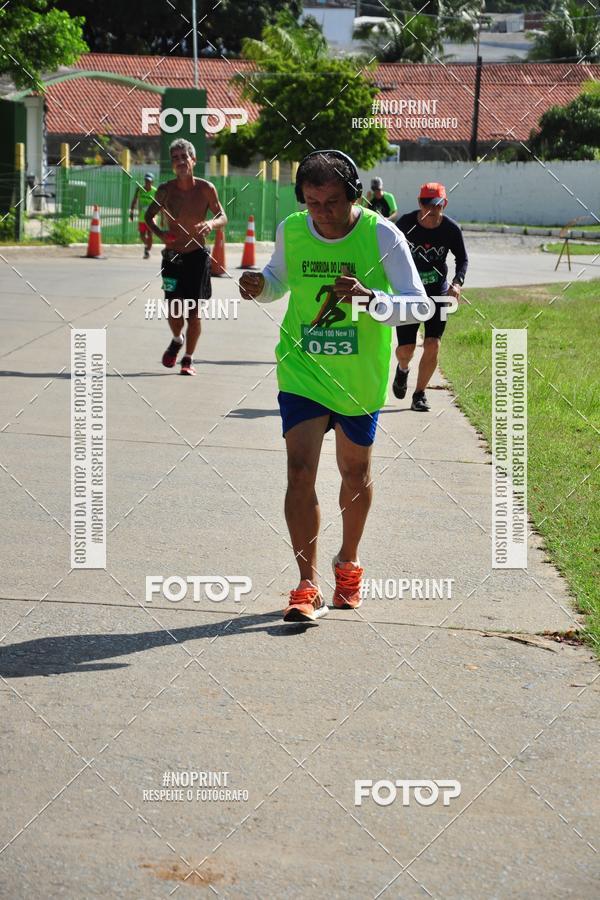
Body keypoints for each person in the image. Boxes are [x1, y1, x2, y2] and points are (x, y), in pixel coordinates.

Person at [239, 150, 429, 624]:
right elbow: (280, 277)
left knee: (353, 473)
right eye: (311, 202)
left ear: (354, 196)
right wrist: (259, 285)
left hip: (358, 375)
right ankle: (306, 584)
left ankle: (348, 562)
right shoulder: (292, 228)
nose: (321, 213)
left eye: (332, 202)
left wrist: (372, 299)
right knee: (300, 471)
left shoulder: (381, 234)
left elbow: (419, 305)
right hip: (302, 367)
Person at [145, 139, 227, 376]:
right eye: (175, 158)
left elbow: (222, 216)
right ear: (172, 164)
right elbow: (148, 216)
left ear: (193, 160)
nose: (180, 161)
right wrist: (161, 234)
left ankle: (188, 359)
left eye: (184, 157)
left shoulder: (206, 189)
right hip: (172, 257)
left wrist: (211, 223)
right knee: (173, 309)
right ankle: (176, 339)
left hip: (197, 257)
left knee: (193, 312)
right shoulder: (165, 190)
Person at [393, 182, 468, 412]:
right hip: (408, 293)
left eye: (436, 204)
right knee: (406, 349)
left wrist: (457, 283)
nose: (431, 209)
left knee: (433, 344)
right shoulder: (404, 224)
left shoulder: (451, 229)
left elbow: (462, 259)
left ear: (444, 204)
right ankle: (403, 369)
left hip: (438, 292)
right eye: (427, 203)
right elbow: (387, 252)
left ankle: (419, 394)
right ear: (419, 202)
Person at [129, 173, 157, 259]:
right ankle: (147, 245)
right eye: (146, 181)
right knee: (142, 235)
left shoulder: (155, 191)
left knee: (150, 234)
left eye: (149, 181)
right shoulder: (139, 189)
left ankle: (147, 251)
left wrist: (163, 218)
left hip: (151, 217)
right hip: (142, 217)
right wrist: (132, 212)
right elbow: (134, 200)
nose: (147, 182)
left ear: (152, 182)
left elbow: (160, 204)